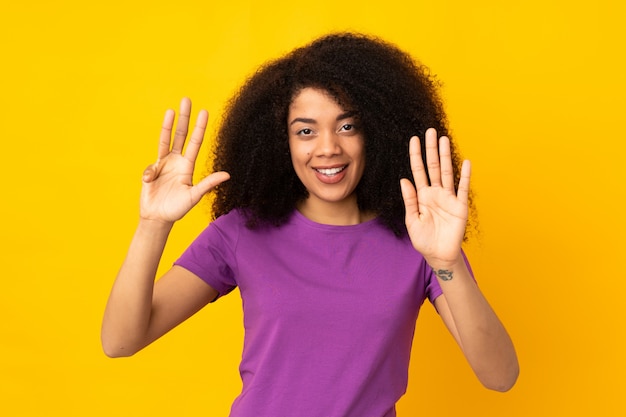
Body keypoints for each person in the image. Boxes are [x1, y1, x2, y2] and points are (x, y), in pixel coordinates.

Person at [101, 32, 519, 416]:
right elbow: (120, 341)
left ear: (376, 131)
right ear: (279, 141)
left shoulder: (422, 240)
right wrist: (153, 225)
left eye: (347, 126)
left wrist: (448, 262)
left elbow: (500, 376)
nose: (328, 148)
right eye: (305, 131)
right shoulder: (241, 233)